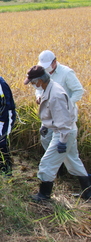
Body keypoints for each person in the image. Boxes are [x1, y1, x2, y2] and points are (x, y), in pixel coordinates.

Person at [24, 65, 91, 201]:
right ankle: (88, 193)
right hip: (64, 130)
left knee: (47, 163)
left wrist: (62, 141)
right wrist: (46, 126)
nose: (32, 84)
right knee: (73, 161)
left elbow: (63, 122)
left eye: (32, 82)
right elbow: (54, 115)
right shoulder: (48, 87)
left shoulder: (56, 95)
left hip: (63, 133)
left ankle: (44, 195)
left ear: (39, 80)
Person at [35, 50, 84, 151]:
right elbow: (39, 89)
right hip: (49, 114)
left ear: (54, 62)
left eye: (47, 65)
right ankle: (54, 163)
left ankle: (59, 164)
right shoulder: (42, 72)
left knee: (66, 148)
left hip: (65, 115)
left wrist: (67, 103)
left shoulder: (66, 73)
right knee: (45, 139)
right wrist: (39, 96)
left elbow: (78, 90)